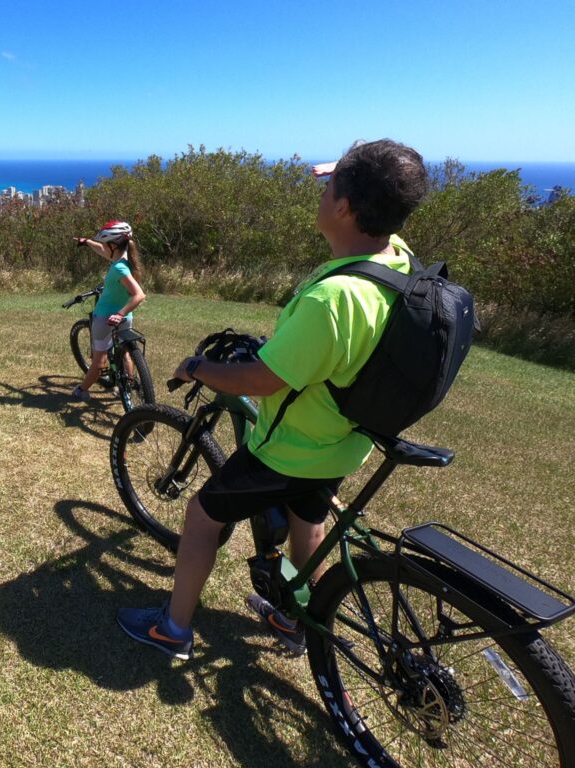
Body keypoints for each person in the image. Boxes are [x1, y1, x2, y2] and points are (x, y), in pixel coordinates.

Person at [117, 139, 431, 659]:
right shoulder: (395, 259)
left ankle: (172, 630)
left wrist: (198, 366)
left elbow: (262, 382)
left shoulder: (334, 300)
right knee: (308, 521)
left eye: (331, 187)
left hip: (293, 447)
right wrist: (356, 174)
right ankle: (293, 618)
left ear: (345, 207)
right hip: (345, 438)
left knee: (200, 517)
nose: (323, 192)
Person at [71, 221, 146, 401]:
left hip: (105, 318)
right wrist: (87, 242)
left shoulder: (119, 268)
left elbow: (139, 295)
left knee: (98, 362)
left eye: (106, 244)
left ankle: (82, 390)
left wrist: (118, 314)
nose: (104, 248)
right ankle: (125, 387)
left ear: (113, 245)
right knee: (125, 352)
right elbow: (103, 251)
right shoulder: (125, 259)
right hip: (126, 318)